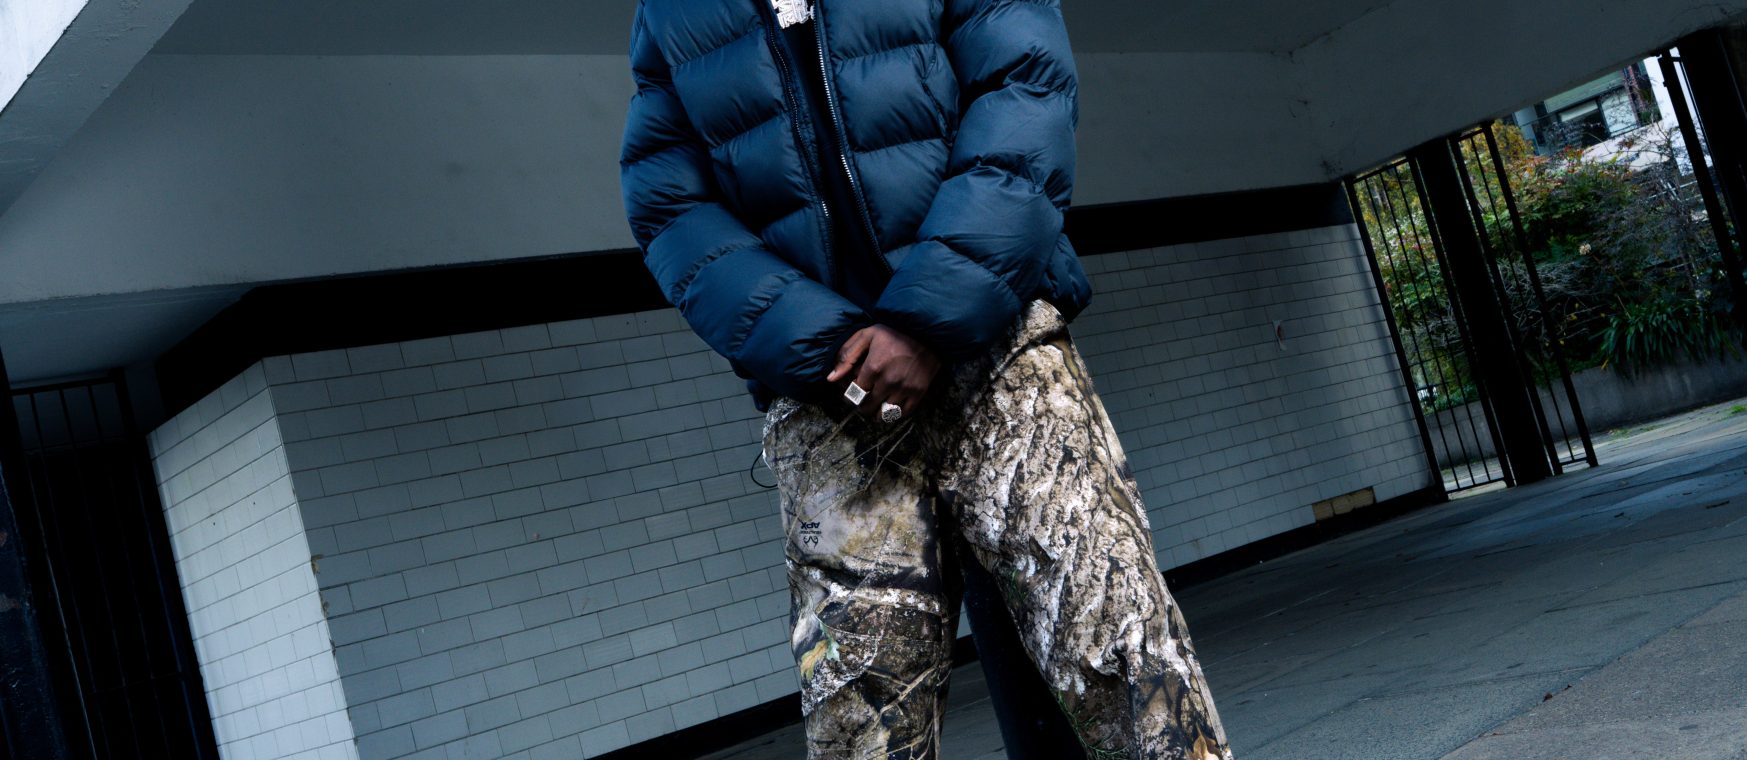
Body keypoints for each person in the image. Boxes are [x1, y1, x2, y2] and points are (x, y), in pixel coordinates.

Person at [618, 0, 1234, 757]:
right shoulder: (669, 11)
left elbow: (1024, 89)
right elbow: (667, 205)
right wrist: (825, 347)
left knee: (1127, 662)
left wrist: (926, 319)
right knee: (860, 726)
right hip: (830, 399)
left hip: (1001, 352)